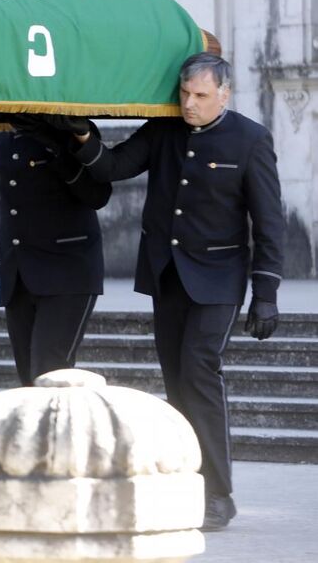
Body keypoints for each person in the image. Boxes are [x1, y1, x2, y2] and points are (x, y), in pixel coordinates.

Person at [61, 52, 285, 531]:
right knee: (177, 380)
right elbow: (114, 166)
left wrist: (265, 292)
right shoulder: (164, 129)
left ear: (225, 94)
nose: (189, 104)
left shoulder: (251, 140)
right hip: (168, 275)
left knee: (200, 370)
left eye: (201, 96)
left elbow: (269, 224)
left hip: (220, 277)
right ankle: (190, 480)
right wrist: (82, 133)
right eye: (184, 93)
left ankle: (219, 494)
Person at [0, 117, 112, 385]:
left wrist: (57, 148)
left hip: (68, 270)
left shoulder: (68, 125)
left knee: (50, 372)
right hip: (19, 272)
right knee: (28, 380)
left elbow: (98, 195)